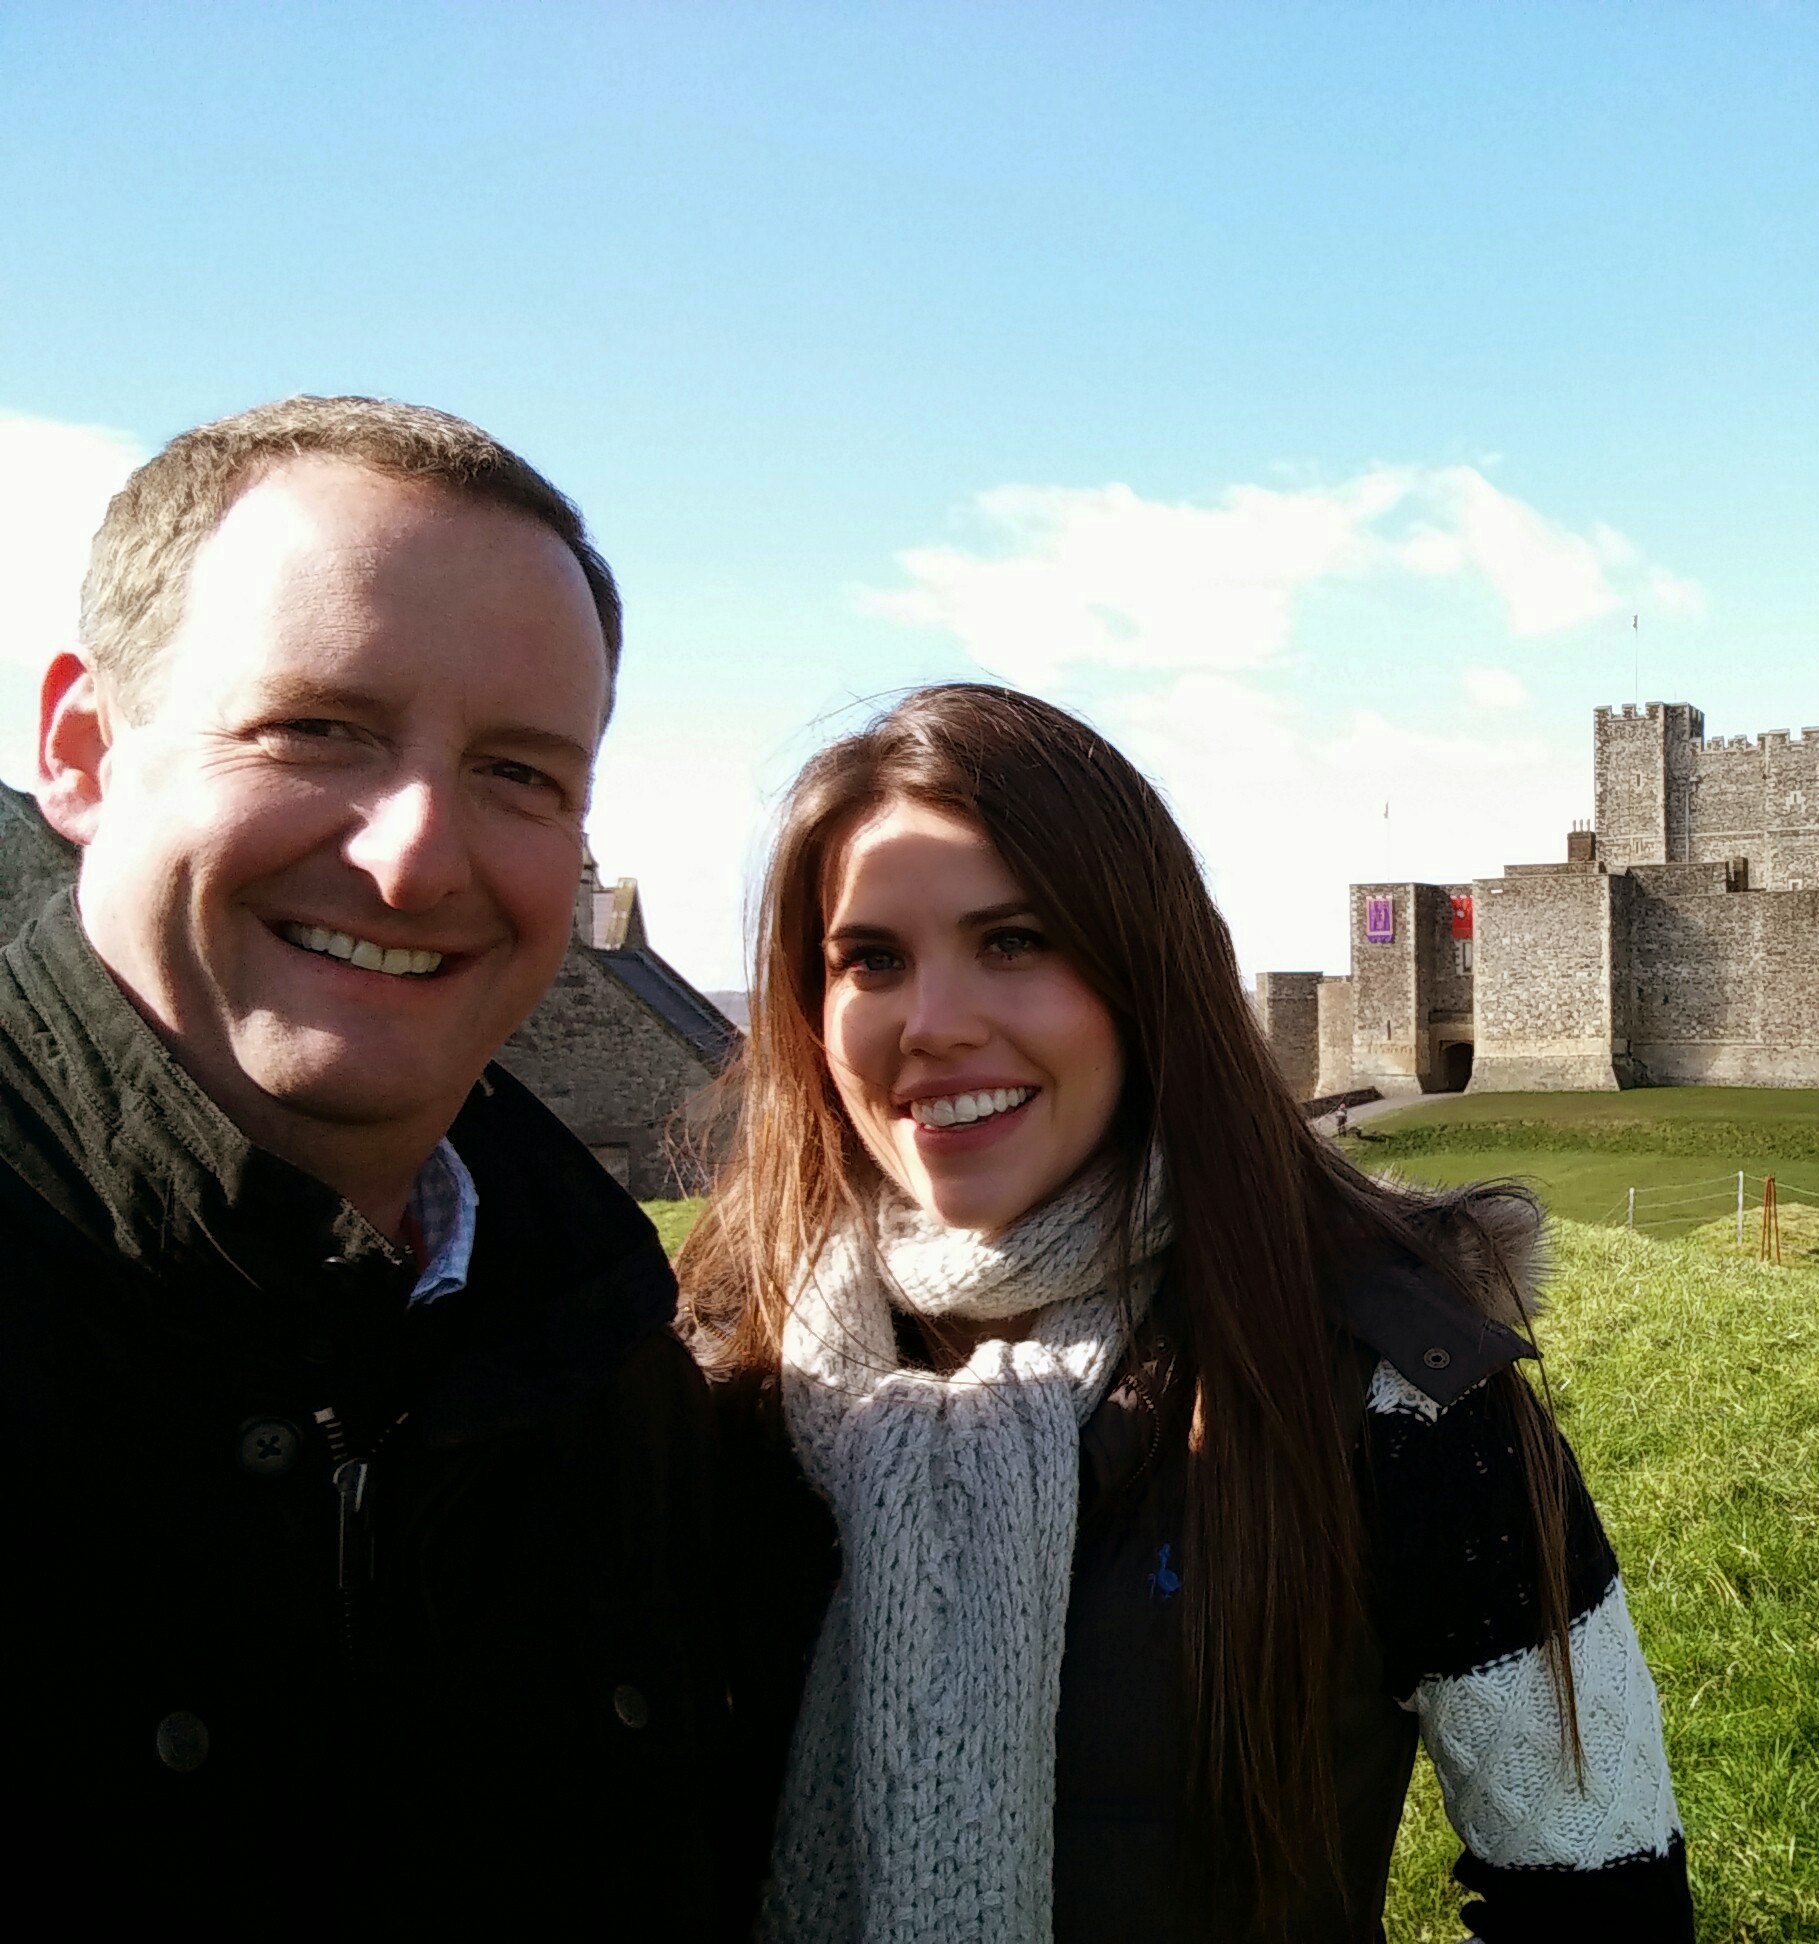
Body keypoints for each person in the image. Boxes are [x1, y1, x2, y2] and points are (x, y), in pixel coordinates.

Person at [681, 684, 1695, 1943]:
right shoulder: (712, 1373)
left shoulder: (1399, 1392)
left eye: (1016, 942)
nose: (931, 1026)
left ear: (1144, 972)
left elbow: (1603, 1892)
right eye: (872, 959)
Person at [0, 397, 729, 1933]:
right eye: (316, 727)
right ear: (81, 751)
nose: (414, 857)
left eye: (522, 773)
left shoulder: (605, 1370)